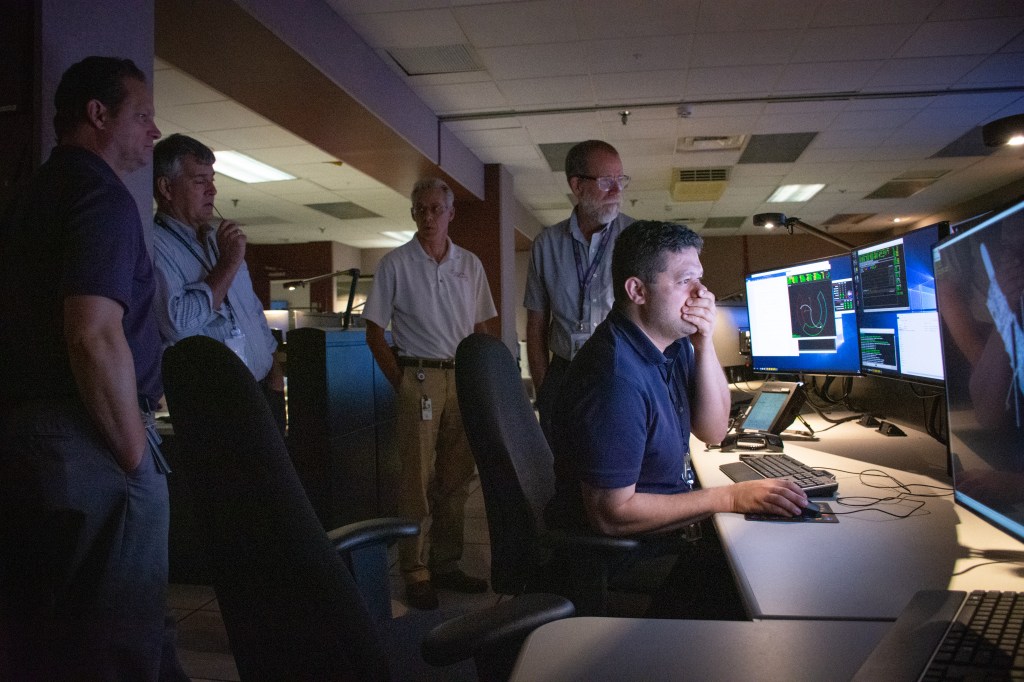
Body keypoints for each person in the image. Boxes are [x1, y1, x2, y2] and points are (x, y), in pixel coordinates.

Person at [0, 56, 185, 680]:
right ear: (98, 115)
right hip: (92, 442)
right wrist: (136, 459)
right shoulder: (99, 196)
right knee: (118, 640)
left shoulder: (30, 196)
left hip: (31, 438)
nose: (154, 132)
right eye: (143, 116)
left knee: (52, 636)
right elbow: (92, 334)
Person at [547, 220, 808, 617]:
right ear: (637, 290)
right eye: (687, 281)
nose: (703, 294)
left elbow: (713, 429)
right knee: (774, 575)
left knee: (775, 546)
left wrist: (704, 345)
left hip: (667, 534)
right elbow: (611, 515)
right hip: (634, 555)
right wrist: (730, 497)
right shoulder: (615, 377)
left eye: (701, 280)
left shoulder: (671, 346)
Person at [362, 177, 497, 610]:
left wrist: (483, 378)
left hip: (463, 378)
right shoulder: (395, 264)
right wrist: (401, 382)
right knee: (416, 480)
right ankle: (415, 569)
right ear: (413, 214)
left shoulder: (470, 264)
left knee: (458, 478)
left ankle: (446, 562)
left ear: (451, 213)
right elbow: (374, 334)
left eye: (436, 208)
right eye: (420, 209)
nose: (428, 217)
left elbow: (481, 329)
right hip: (418, 377)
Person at [151, 133, 286, 435]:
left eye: (212, 180)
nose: (212, 190)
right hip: (214, 408)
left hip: (264, 394)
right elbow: (178, 324)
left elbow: (251, 310)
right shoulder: (154, 245)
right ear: (166, 187)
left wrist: (275, 373)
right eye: (200, 181)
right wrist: (227, 265)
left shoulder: (220, 239)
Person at [524, 139, 634, 443]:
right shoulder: (546, 245)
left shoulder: (636, 239)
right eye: (606, 181)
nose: (617, 190)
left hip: (623, 373)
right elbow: (536, 327)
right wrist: (545, 389)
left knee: (618, 469)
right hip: (564, 375)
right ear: (577, 185)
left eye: (620, 180)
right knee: (565, 471)